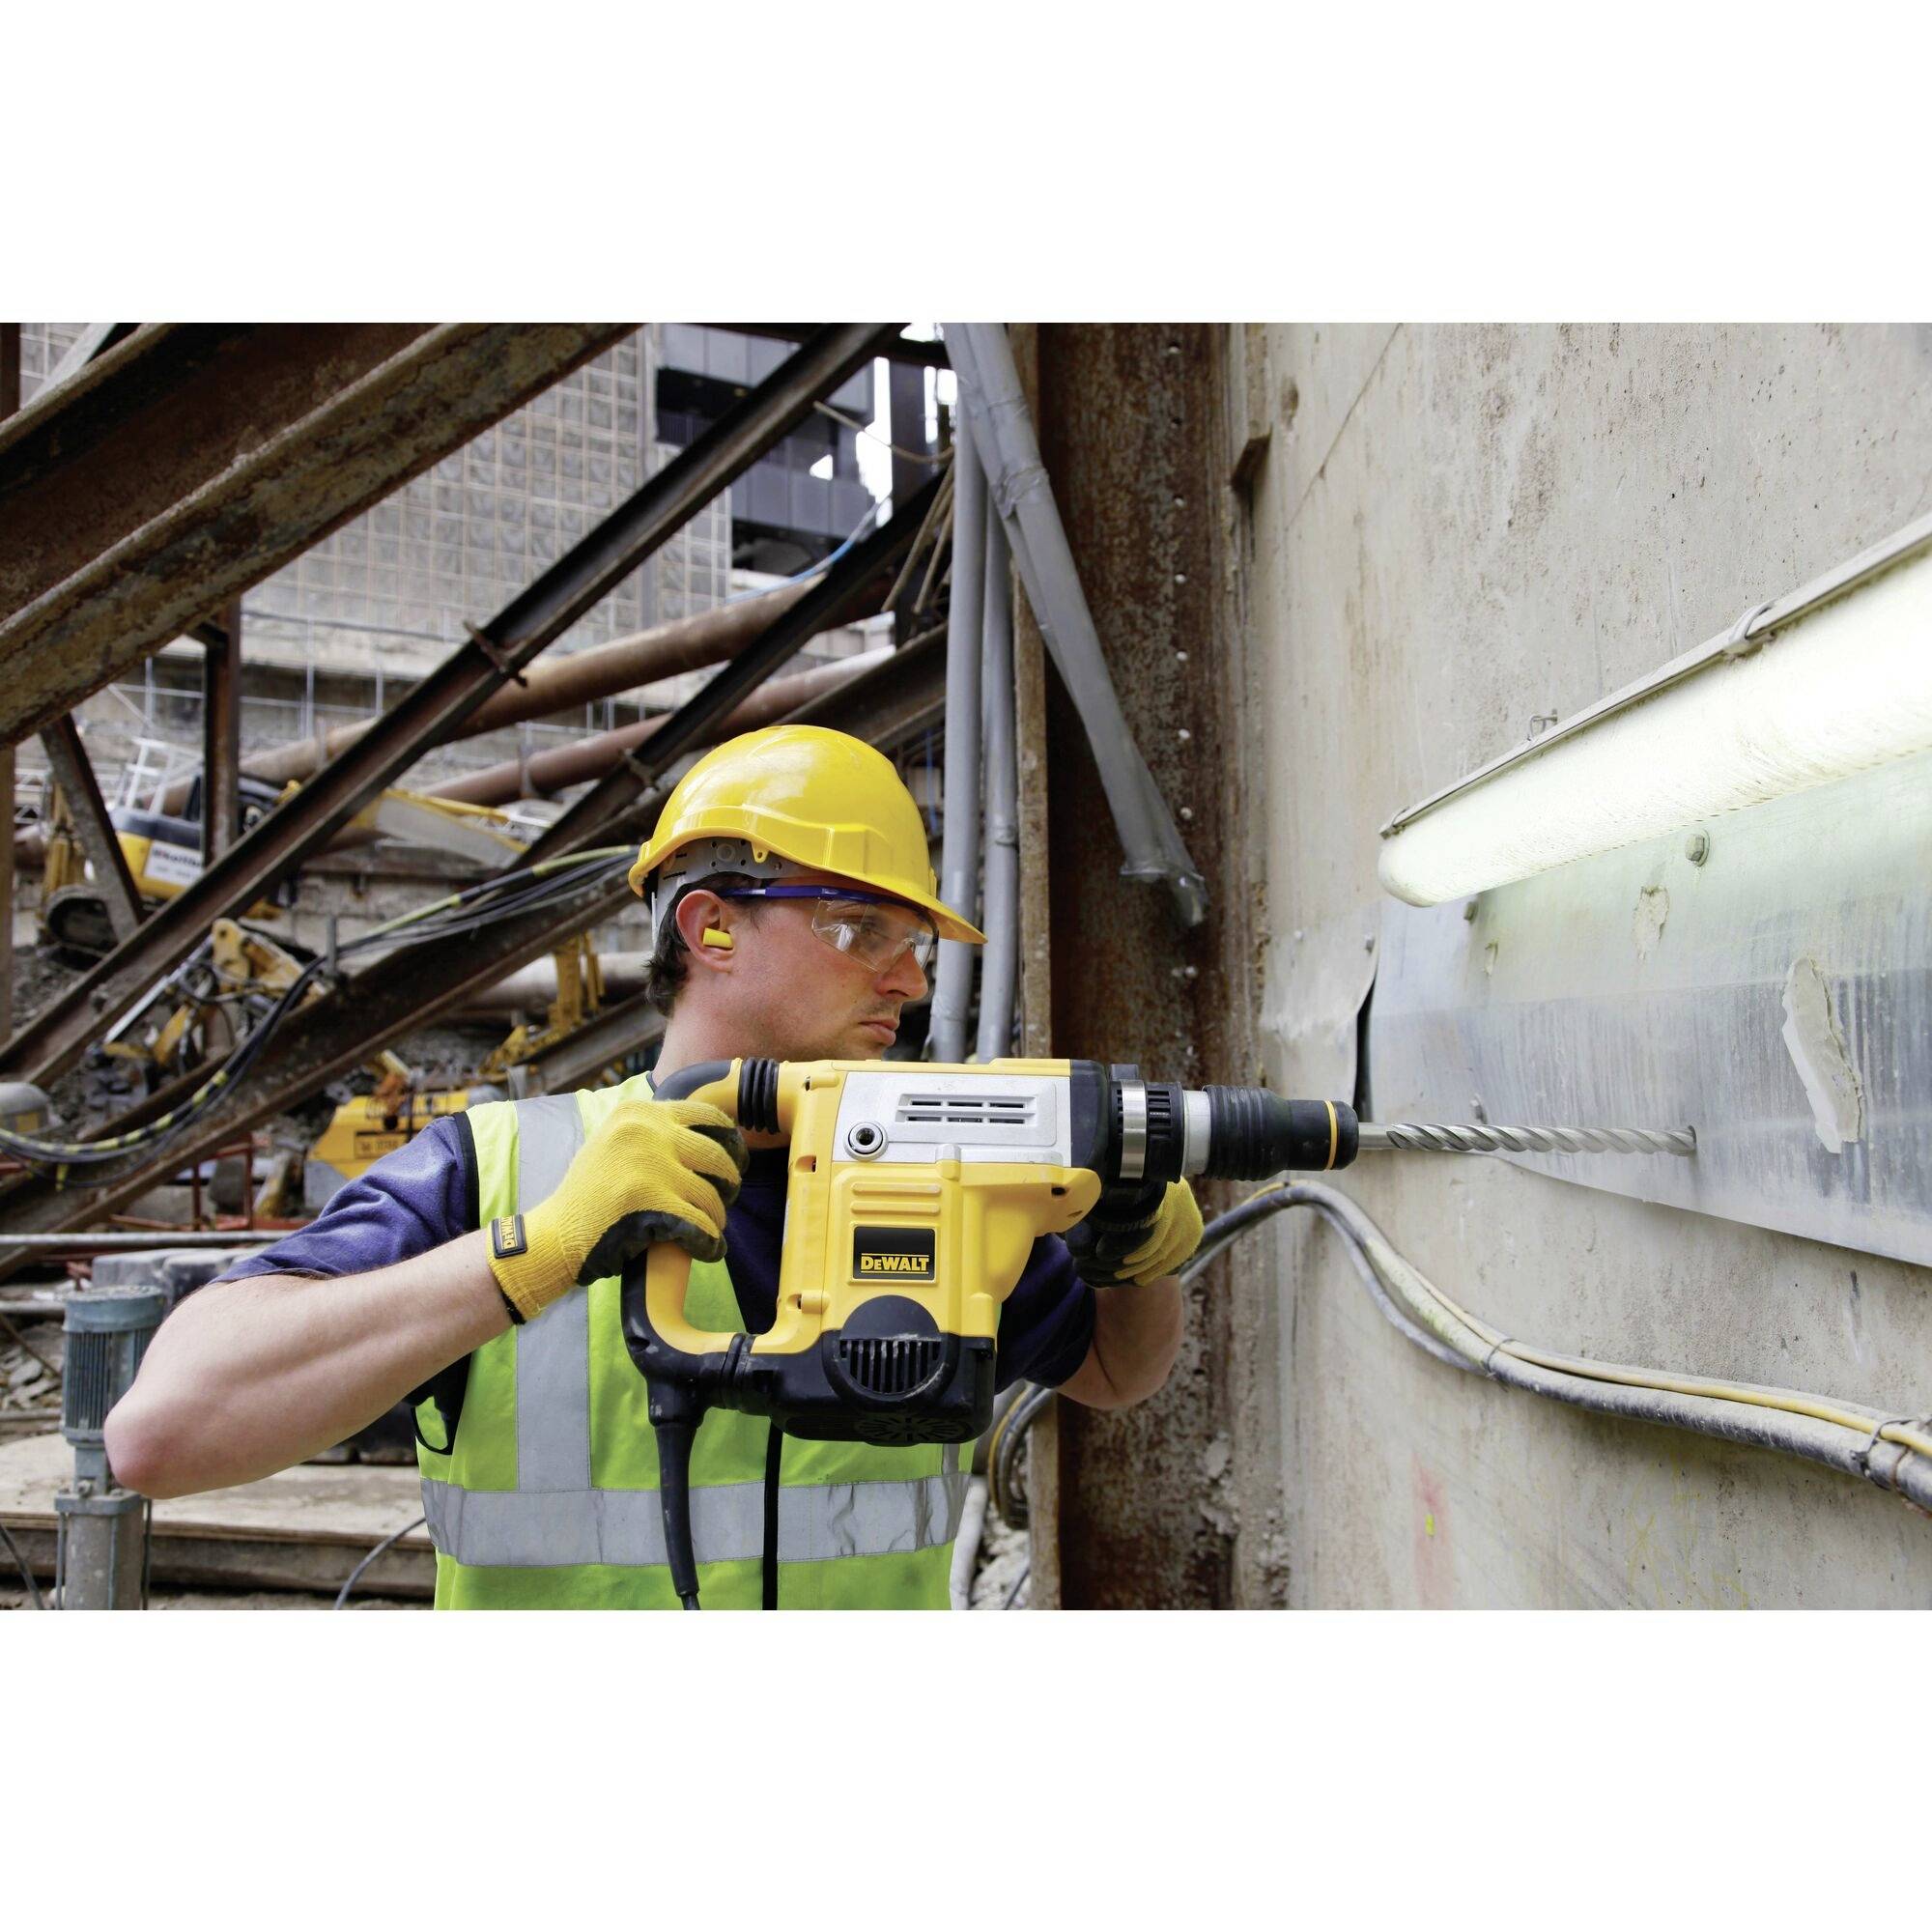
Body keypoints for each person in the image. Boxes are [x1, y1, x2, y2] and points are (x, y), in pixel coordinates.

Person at [104, 725, 1203, 1608]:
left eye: (913, 943)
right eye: (864, 929)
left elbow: (1113, 1373)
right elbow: (161, 1434)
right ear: (712, 927)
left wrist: (1135, 1249)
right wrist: (539, 1250)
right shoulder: (498, 1169)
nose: (909, 980)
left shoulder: (931, 1165)